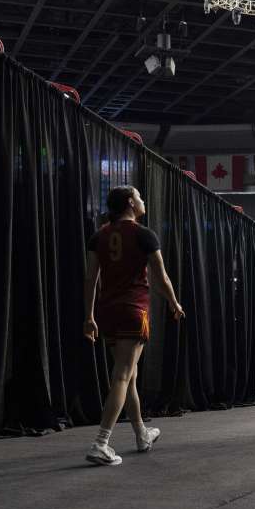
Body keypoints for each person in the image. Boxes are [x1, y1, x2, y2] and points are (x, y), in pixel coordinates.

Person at [83, 186, 184, 466]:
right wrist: (174, 303)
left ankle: (141, 434)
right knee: (122, 376)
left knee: (129, 377)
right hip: (133, 310)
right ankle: (101, 443)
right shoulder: (143, 234)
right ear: (130, 203)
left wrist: (88, 316)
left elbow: (90, 279)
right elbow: (161, 278)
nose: (142, 201)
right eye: (139, 197)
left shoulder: (99, 236)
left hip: (108, 311)